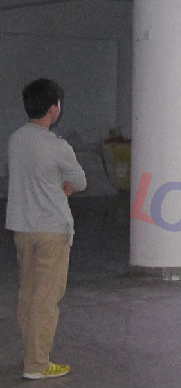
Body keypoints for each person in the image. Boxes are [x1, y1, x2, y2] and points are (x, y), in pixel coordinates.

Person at [5, 78, 86, 380]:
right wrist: (63, 185)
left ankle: (31, 355)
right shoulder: (57, 146)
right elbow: (80, 182)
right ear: (54, 109)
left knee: (28, 293)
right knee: (46, 298)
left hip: (22, 228)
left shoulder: (16, 139)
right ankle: (37, 364)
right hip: (52, 229)